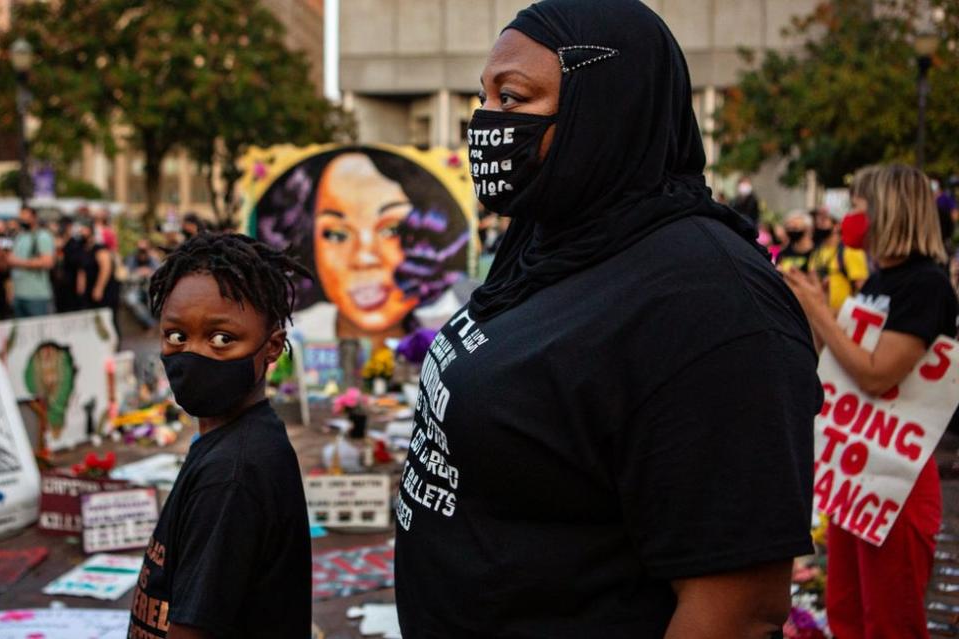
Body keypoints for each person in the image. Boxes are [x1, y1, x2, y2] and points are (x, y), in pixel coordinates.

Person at [394, 1, 822, 637]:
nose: (486, 123)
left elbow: (738, 608)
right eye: (483, 99)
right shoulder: (550, 234)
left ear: (609, 110)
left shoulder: (709, 302)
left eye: (512, 99)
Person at [785, 164, 957, 639]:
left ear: (888, 212)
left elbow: (878, 375)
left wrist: (823, 315)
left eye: (858, 209)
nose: (849, 221)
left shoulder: (927, 285)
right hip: (858, 479)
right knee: (846, 611)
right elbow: (843, 371)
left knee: (890, 621)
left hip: (896, 482)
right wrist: (819, 319)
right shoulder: (883, 282)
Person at [129, 234, 312, 639]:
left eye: (222, 340)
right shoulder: (234, 442)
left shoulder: (231, 477)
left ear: (272, 347)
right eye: (177, 336)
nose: (193, 354)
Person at [255, 148, 470, 347]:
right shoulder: (289, 339)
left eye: (392, 230)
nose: (364, 257)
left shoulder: (456, 333)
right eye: (337, 234)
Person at [808, 209, 869, 313]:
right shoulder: (816, 253)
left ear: (837, 225)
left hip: (844, 317)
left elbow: (863, 288)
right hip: (821, 316)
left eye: (823, 220)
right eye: (817, 221)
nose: (818, 224)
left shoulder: (850, 251)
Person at [8, 206, 56, 318]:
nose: (22, 220)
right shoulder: (20, 236)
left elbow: (48, 262)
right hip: (19, 294)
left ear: (34, 218)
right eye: (21, 217)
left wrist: (17, 262)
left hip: (36, 296)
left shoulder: (42, 236)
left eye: (25, 217)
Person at [76, 219, 120, 323]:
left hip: (105, 291)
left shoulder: (99, 248)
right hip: (89, 290)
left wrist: (99, 288)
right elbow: (82, 269)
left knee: (108, 320)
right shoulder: (83, 249)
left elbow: (105, 269)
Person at [123, 238, 161, 329]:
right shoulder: (131, 259)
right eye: (140, 249)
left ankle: (159, 321)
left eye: (144, 249)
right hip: (134, 288)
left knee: (155, 298)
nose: (142, 252)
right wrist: (137, 273)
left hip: (150, 288)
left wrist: (149, 272)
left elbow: (159, 274)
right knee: (131, 299)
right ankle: (151, 324)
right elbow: (125, 276)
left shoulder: (153, 259)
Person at [53, 216, 86, 313]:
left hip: (72, 286)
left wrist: (81, 287)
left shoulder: (75, 244)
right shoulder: (56, 243)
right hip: (59, 287)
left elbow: (80, 267)